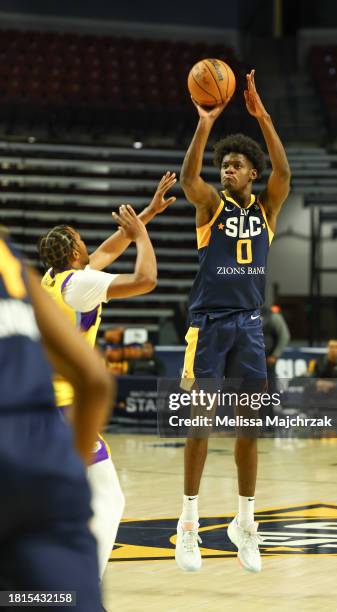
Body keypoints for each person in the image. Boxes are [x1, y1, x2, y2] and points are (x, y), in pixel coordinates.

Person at [177, 69, 290, 572]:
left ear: (252, 173)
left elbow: (285, 174)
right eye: (223, 164)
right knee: (198, 425)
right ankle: (188, 524)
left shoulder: (266, 209)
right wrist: (205, 124)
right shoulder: (210, 209)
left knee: (251, 429)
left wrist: (262, 116)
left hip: (248, 326)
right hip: (208, 325)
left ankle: (245, 522)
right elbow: (187, 180)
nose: (226, 170)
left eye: (236, 164)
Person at [38, 172, 176, 577]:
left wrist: (146, 216)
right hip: (66, 412)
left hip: (43, 407)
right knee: (109, 499)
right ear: (75, 252)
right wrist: (142, 238)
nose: (88, 246)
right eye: (82, 241)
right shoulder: (79, 286)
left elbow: (104, 254)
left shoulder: (53, 279)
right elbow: (146, 280)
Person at [0, 231, 114, 610]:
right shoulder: (12, 263)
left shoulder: (52, 277)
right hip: (43, 456)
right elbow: (96, 382)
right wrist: (69, 469)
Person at [263, 304, 291, 384]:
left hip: (268, 358)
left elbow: (284, 336)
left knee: (269, 385)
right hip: (249, 359)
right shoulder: (246, 314)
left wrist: (275, 355)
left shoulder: (272, 316)